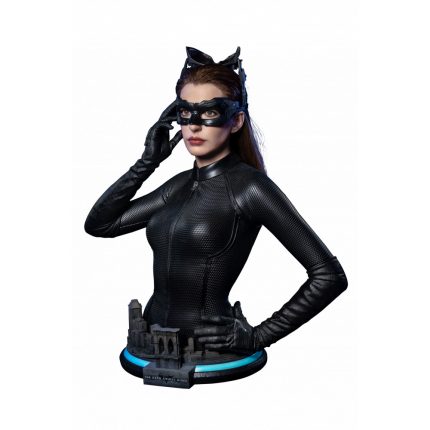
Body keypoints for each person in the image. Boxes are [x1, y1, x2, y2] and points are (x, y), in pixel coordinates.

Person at [84, 46, 348, 362]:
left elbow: (329, 276)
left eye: (209, 113)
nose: (194, 126)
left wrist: (259, 336)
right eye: (185, 113)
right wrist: (147, 162)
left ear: (236, 121)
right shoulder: (178, 185)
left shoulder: (250, 189)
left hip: (213, 351)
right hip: (150, 344)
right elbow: (101, 225)